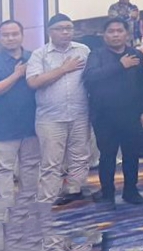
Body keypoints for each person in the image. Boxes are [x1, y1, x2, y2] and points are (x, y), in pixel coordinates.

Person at [82, 18, 143, 210]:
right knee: (107, 156)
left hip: (132, 115)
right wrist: (120, 65)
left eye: (119, 31)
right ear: (104, 35)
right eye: (111, 31)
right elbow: (90, 77)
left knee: (131, 155)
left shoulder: (137, 55)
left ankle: (131, 191)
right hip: (104, 116)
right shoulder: (96, 55)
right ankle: (107, 193)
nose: (115, 35)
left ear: (126, 34)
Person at [26, 14, 92, 207]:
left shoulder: (83, 50)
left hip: (80, 113)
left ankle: (74, 190)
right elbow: (33, 82)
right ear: (50, 32)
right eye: (60, 29)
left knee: (80, 156)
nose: (65, 32)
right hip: (50, 117)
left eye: (69, 28)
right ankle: (48, 197)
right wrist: (64, 69)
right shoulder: (39, 54)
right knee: (51, 161)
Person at [0, 20, 41, 250]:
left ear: (22, 35)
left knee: (30, 171)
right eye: (5, 35)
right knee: (4, 172)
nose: (10, 38)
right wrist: (17, 75)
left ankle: (26, 214)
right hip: (4, 128)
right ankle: (4, 215)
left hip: (31, 127)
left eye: (14, 34)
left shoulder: (34, 57)